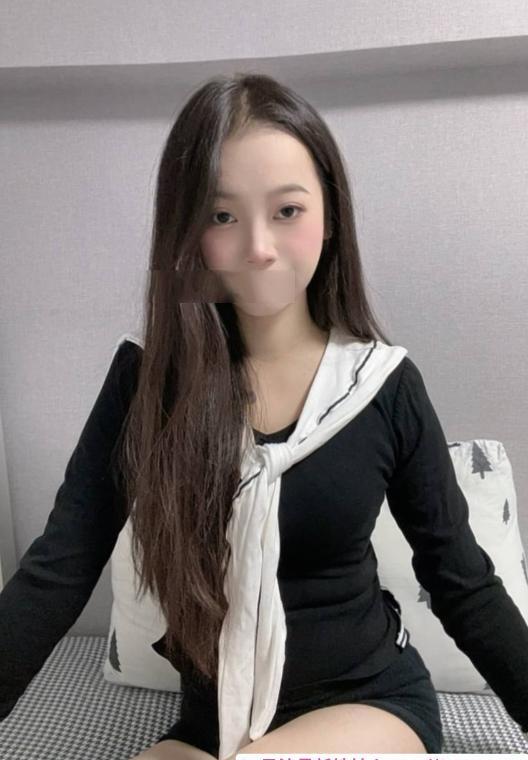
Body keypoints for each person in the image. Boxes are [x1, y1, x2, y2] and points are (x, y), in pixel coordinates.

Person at [1, 73, 527, 760]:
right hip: (215, 721)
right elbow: (60, 568)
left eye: (287, 210)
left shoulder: (382, 385)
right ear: (187, 231)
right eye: (222, 216)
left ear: (330, 215)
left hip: (367, 700)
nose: (258, 247)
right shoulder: (147, 382)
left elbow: (464, 583)